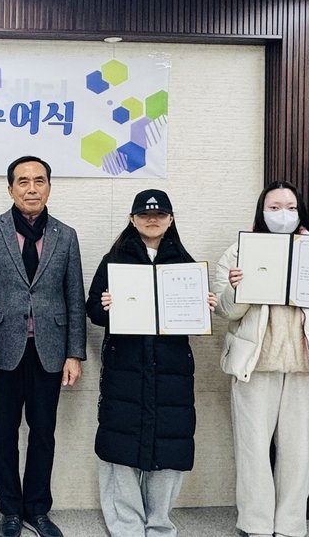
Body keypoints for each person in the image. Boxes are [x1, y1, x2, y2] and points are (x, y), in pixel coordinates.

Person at [211, 181, 309, 537]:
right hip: (255, 364)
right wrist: (237, 288)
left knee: (299, 451)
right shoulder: (238, 252)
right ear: (261, 211)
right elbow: (226, 312)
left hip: (306, 366)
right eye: (274, 207)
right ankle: (256, 524)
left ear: (300, 212)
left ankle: (290, 526)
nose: (282, 214)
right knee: (252, 449)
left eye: (290, 208)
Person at [0, 156, 86, 537]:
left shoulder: (66, 235)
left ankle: (37, 509)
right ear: (10, 189)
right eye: (23, 182)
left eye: (39, 181)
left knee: (43, 432)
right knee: (5, 433)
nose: (31, 188)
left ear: (49, 186)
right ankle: (11, 511)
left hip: (50, 350)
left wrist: (74, 353)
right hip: (2, 349)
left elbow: (75, 297)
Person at [84, 189, 216, 537]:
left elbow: (195, 321)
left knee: (169, 445)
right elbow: (93, 310)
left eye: (159, 215)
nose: (152, 220)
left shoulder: (185, 264)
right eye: (144, 214)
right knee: (121, 444)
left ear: (171, 220)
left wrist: (204, 307)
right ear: (132, 219)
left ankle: (159, 524)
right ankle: (126, 526)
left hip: (172, 371)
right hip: (125, 368)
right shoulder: (114, 260)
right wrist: (105, 306)